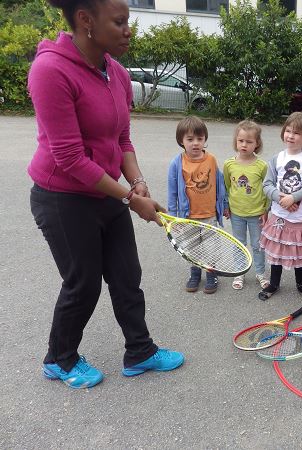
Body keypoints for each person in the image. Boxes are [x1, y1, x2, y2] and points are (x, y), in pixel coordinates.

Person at [28, 0, 183, 389]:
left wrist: (137, 182)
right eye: (119, 22)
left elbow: (122, 138)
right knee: (83, 283)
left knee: (126, 275)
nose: (128, 30)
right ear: (86, 20)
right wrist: (131, 199)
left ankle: (140, 351)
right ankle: (59, 359)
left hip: (106, 192)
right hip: (62, 197)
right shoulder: (50, 70)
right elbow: (69, 158)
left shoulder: (116, 72)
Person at [259, 112, 302, 301]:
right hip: (279, 216)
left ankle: (301, 284)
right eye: (288, 131)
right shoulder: (276, 158)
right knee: (277, 251)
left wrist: (294, 197)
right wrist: (281, 199)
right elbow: (267, 185)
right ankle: (274, 283)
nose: (291, 136)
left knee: (299, 252)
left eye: (296, 133)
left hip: (299, 217)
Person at [167, 116, 229, 294]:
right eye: (190, 139)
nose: (195, 143)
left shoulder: (211, 160)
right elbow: (172, 191)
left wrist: (225, 205)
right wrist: (173, 216)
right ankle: (195, 274)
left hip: (210, 215)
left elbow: (220, 185)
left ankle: (211, 275)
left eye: (200, 139)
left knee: (211, 247)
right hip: (188, 217)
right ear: (181, 141)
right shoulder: (177, 163)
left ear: (204, 140)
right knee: (192, 248)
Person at [223, 120, 270, 291]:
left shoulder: (262, 166)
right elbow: (227, 187)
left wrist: (266, 210)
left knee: (258, 245)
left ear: (257, 143)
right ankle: (239, 272)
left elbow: (267, 188)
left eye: (249, 141)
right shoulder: (229, 164)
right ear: (236, 141)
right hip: (236, 213)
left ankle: (260, 273)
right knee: (239, 244)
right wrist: (226, 205)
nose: (244, 144)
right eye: (241, 140)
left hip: (256, 213)